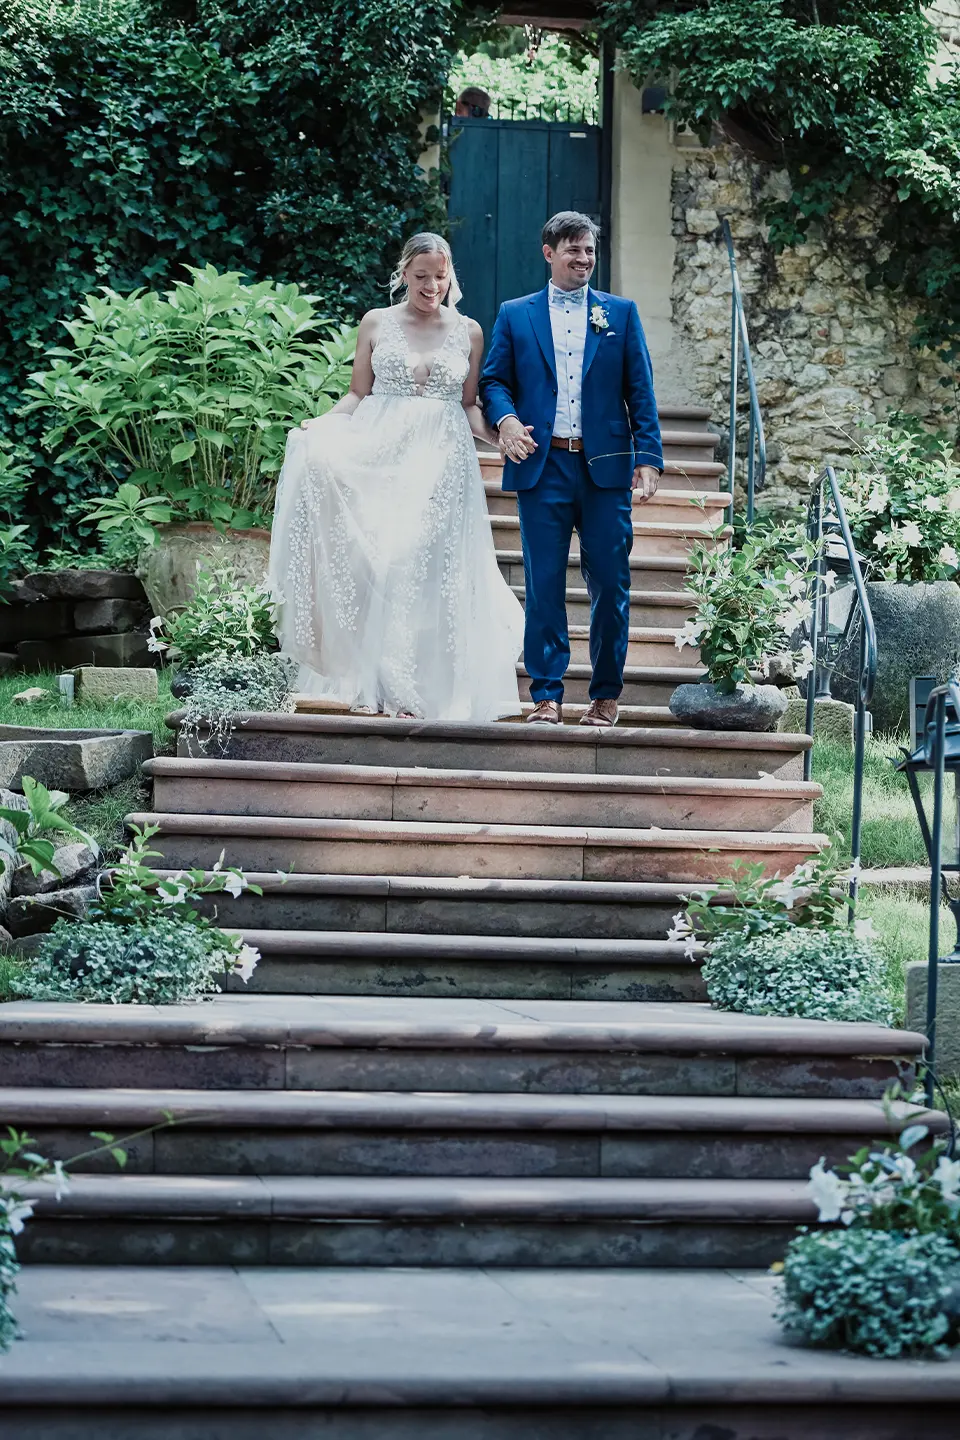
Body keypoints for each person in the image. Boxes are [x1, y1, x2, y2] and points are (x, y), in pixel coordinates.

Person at [269, 233, 524, 721]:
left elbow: (467, 405)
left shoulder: (468, 330)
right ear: (403, 273)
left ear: (452, 276)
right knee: (382, 565)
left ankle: (423, 689)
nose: (432, 286)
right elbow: (357, 394)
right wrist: (320, 427)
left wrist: (500, 438)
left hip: (444, 465)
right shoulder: (376, 323)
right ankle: (383, 687)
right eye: (422, 276)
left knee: (425, 571)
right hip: (380, 456)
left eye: (440, 276)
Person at [479, 211, 663, 728]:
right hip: (543, 465)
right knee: (543, 585)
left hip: (605, 469)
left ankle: (605, 695)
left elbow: (641, 392)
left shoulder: (620, 314)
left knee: (611, 582)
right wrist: (508, 421)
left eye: (589, 251)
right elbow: (494, 382)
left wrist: (648, 457)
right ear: (548, 253)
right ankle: (546, 695)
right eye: (573, 251)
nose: (583, 260)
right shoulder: (516, 314)